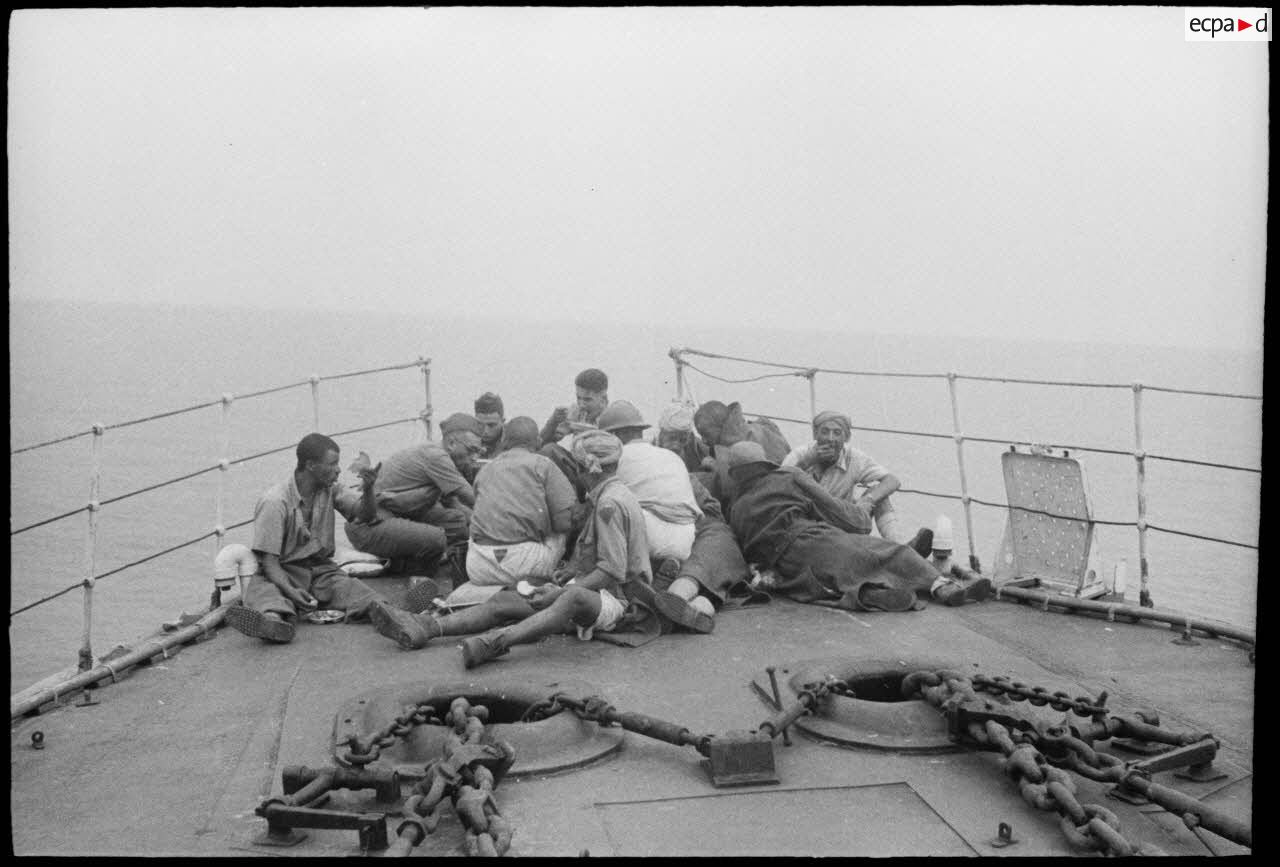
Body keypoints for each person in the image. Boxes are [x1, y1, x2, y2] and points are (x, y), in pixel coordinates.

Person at [368, 430, 661, 668]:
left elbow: (612, 569)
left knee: (570, 597)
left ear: (587, 468)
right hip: (603, 593)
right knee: (505, 601)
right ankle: (428, 627)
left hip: (623, 604)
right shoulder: (613, 494)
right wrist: (569, 570)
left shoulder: (608, 504)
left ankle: (498, 642)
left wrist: (561, 590)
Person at [725, 441, 941, 613]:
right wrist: (864, 510)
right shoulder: (788, 476)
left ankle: (864, 593)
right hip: (816, 541)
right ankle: (941, 586)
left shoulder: (737, 509)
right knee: (890, 552)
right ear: (765, 463)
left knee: (826, 584)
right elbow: (844, 517)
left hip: (789, 570)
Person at [225, 433, 394, 644]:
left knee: (363, 594)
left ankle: (391, 617)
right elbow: (269, 563)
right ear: (311, 465)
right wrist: (291, 590)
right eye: (332, 464)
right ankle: (272, 622)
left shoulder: (331, 489)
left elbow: (365, 515)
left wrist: (369, 489)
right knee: (267, 595)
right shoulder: (275, 502)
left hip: (321, 571)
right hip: (283, 572)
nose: (338, 469)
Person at [430, 416, 575, 608]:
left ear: (505, 442)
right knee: (562, 526)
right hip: (524, 564)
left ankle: (493, 590)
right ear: (538, 442)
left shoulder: (485, 469)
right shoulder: (544, 464)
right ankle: (530, 585)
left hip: (479, 567)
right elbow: (564, 523)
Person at [600, 400, 718, 632]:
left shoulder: (616, 458)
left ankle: (640, 591)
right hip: (685, 539)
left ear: (616, 435)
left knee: (606, 511)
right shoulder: (671, 458)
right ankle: (695, 603)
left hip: (647, 537)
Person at [342, 413, 482, 582]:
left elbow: (455, 504)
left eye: (478, 451)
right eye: (471, 450)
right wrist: (499, 523)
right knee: (436, 538)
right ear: (451, 443)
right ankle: (409, 576)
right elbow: (470, 497)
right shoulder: (437, 457)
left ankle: (445, 572)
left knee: (456, 523)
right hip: (370, 527)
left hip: (395, 516)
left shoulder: (442, 458)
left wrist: (477, 525)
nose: (475, 457)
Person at [781, 410, 922, 546]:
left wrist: (868, 500)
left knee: (878, 494)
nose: (830, 439)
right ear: (815, 434)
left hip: (843, 521)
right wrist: (808, 461)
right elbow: (778, 483)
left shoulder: (853, 458)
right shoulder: (801, 454)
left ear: (846, 438)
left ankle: (900, 547)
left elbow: (892, 481)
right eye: (825, 432)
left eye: (837, 433)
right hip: (809, 522)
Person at [693, 400, 791, 510]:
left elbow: (730, 490)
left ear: (720, 427)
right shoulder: (762, 427)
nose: (704, 441)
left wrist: (714, 467)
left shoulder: (732, 448)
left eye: (705, 434)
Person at [538, 368, 610, 502]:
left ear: (603, 399)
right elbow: (540, 444)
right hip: (579, 470)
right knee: (548, 450)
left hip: (603, 473)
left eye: (588, 399)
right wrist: (553, 422)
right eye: (578, 398)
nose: (581, 404)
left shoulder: (613, 417)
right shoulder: (577, 412)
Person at [925, 515, 992, 605]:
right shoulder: (931, 564)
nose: (942, 556)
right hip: (940, 581)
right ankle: (962, 589)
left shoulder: (949, 562)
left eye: (944, 554)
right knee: (943, 583)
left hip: (947, 579)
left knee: (963, 573)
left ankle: (973, 583)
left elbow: (957, 568)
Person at [654, 400, 710, 473]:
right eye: (672, 438)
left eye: (682, 440)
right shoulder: (650, 453)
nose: (676, 446)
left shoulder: (697, 447)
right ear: (661, 434)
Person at [474, 392, 506, 460]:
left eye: (491, 425)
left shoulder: (513, 444)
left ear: (503, 422)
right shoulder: (466, 440)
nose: (485, 431)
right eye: (480, 425)